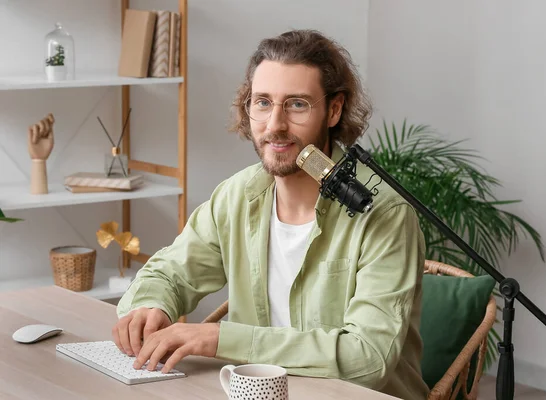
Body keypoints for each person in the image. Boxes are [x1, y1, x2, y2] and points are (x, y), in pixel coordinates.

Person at [113, 29, 430, 400]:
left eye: (296, 104)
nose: (275, 125)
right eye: (262, 103)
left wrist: (220, 339)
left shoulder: (384, 214)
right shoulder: (237, 196)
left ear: (334, 109)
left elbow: (368, 359)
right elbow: (169, 271)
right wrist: (151, 305)